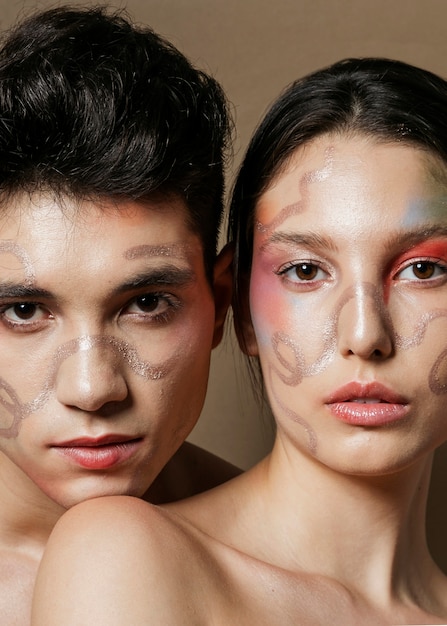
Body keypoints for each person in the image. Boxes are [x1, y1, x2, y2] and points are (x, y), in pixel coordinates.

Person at [32, 56, 447, 625]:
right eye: (305, 270)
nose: (365, 335)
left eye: (423, 271)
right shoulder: (127, 556)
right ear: (243, 312)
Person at [0, 5, 239, 624]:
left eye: (146, 304)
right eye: (24, 310)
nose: (93, 388)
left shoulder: (279, 565)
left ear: (221, 305)